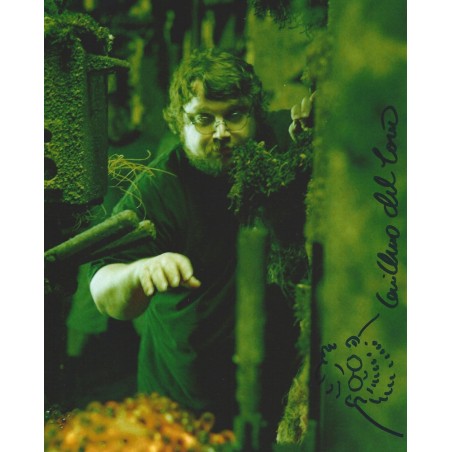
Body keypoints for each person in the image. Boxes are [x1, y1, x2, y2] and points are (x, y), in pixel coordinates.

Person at [89, 48, 313, 441]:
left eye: (235, 114)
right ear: (180, 121)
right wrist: (138, 272)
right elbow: (103, 292)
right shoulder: (159, 186)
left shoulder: (275, 147)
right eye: (204, 119)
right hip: (182, 404)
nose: (222, 132)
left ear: (254, 114)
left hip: (278, 396)